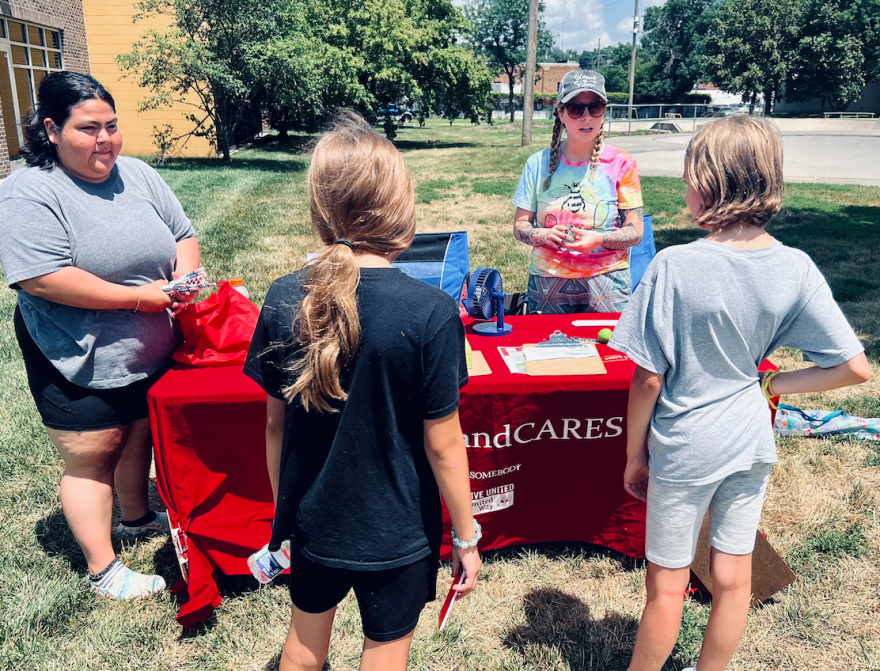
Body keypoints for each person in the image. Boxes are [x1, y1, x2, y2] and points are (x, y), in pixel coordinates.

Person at [609, 116, 871, 671]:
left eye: (687, 176)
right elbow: (853, 368)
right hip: (751, 439)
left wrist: (635, 454)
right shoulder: (795, 267)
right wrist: (771, 383)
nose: (684, 188)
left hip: (685, 445)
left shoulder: (674, 266)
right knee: (733, 578)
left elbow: (647, 378)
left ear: (710, 180)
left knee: (666, 586)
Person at [243, 112, 481, 671]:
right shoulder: (433, 312)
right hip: (399, 531)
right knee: (384, 653)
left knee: (302, 651)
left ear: (320, 208)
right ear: (400, 207)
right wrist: (466, 538)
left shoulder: (282, 297)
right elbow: (445, 446)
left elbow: (275, 425)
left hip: (312, 520)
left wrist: (287, 518)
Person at [0, 72, 202, 600]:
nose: (105, 139)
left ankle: (136, 516)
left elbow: (183, 233)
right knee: (94, 453)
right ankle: (103, 569)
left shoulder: (136, 174)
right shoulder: (28, 191)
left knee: (138, 432)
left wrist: (182, 280)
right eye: (89, 128)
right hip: (75, 350)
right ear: (51, 129)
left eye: (112, 126)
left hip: (149, 343)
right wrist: (139, 298)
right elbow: (42, 275)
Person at [512, 70, 644, 314]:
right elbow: (520, 226)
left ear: (604, 112)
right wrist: (543, 235)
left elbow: (636, 232)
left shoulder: (622, 163)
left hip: (608, 282)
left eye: (595, 107)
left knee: (609, 352)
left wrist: (600, 239)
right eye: (575, 108)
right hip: (547, 281)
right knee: (547, 352)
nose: (586, 117)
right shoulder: (537, 164)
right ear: (561, 113)